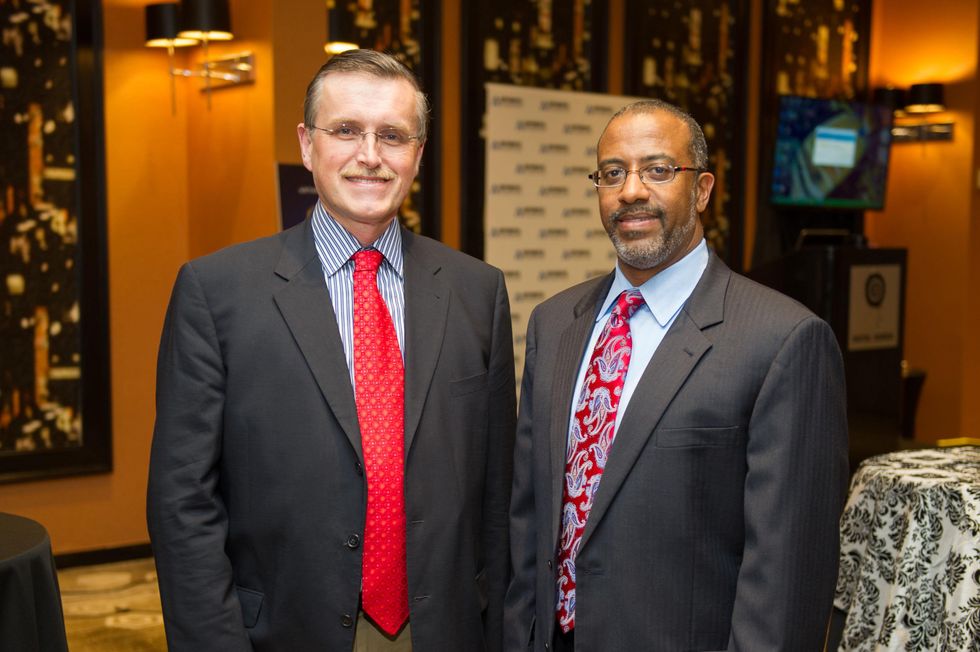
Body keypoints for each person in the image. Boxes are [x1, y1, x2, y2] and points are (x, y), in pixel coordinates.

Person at [147, 49, 516, 652]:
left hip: (446, 628)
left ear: (418, 153)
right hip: (280, 631)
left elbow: (497, 499)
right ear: (306, 144)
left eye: (392, 135)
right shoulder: (216, 293)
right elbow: (182, 502)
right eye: (346, 130)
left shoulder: (478, 291)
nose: (370, 155)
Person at [503, 99, 849, 651]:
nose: (631, 191)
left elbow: (787, 581)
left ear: (703, 189)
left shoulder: (784, 341)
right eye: (612, 173)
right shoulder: (555, 323)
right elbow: (528, 520)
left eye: (658, 170)